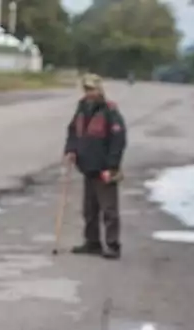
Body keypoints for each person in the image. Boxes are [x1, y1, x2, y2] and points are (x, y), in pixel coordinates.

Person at [63, 74, 128, 259]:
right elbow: (73, 131)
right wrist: (71, 149)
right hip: (87, 166)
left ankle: (113, 245)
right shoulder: (82, 108)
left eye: (92, 89)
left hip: (104, 168)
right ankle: (92, 243)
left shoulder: (110, 111)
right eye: (86, 89)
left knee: (109, 210)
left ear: (100, 89)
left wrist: (112, 166)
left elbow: (118, 140)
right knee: (89, 209)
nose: (89, 93)